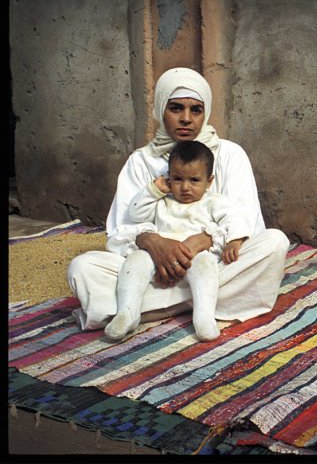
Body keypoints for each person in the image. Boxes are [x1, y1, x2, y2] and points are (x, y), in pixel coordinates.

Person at [68, 67, 290, 335]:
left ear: (205, 113)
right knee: (83, 267)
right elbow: (121, 229)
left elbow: (245, 221)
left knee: (274, 243)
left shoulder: (230, 154)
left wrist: (205, 241)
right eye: (175, 108)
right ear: (161, 109)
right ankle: (198, 306)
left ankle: (143, 307)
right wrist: (156, 244)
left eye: (196, 110)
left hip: (212, 263)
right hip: (151, 264)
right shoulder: (141, 161)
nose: (186, 118)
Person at [104, 140, 250, 342]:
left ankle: (203, 317)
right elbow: (135, 213)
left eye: (194, 180)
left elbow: (234, 219)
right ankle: (127, 312)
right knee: (135, 259)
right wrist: (155, 190)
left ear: (209, 181)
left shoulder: (214, 201)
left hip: (195, 259)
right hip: (160, 262)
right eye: (177, 179)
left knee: (207, 263)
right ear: (168, 178)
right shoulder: (163, 200)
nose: (185, 187)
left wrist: (234, 241)